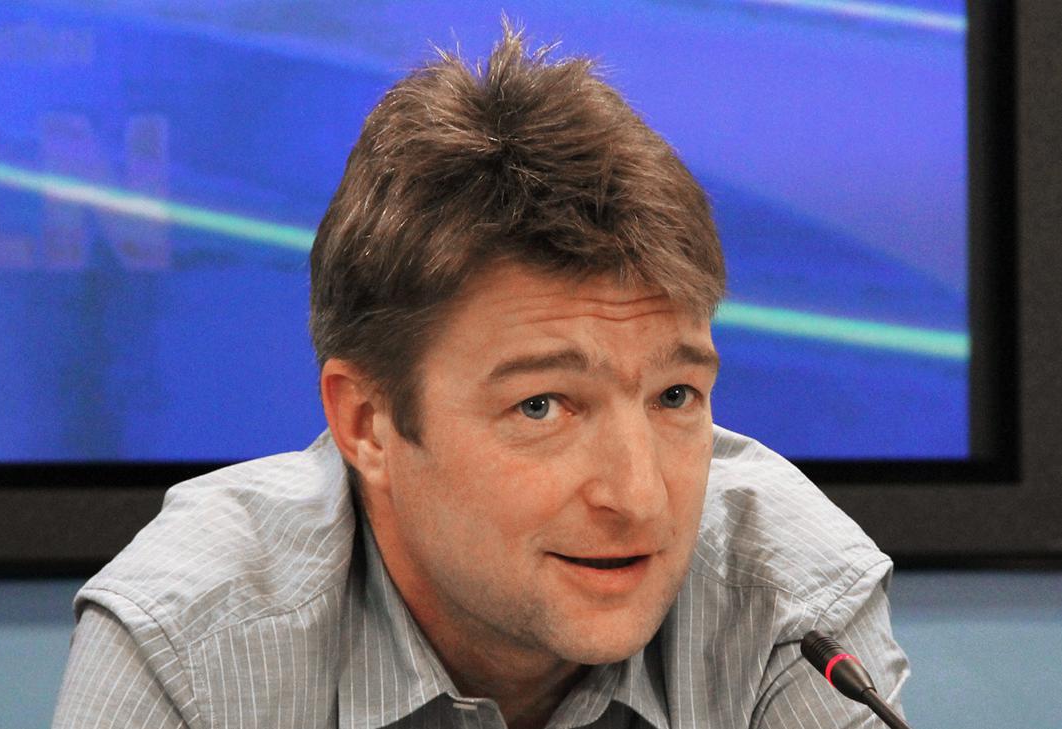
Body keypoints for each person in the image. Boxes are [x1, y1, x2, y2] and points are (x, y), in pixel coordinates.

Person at [53, 24, 908, 729]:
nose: (639, 495)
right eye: (542, 405)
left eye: (674, 396)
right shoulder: (190, 643)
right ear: (367, 423)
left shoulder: (791, 609)